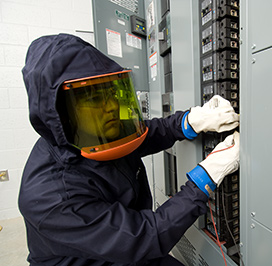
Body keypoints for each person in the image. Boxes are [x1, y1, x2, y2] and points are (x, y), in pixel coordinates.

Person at [18, 33, 240, 266]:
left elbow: (141, 135)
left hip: (126, 244)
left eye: (111, 93)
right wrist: (204, 178)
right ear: (60, 112)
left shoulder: (90, 134)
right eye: (93, 99)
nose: (112, 107)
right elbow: (143, 238)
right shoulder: (50, 198)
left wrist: (188, 122)